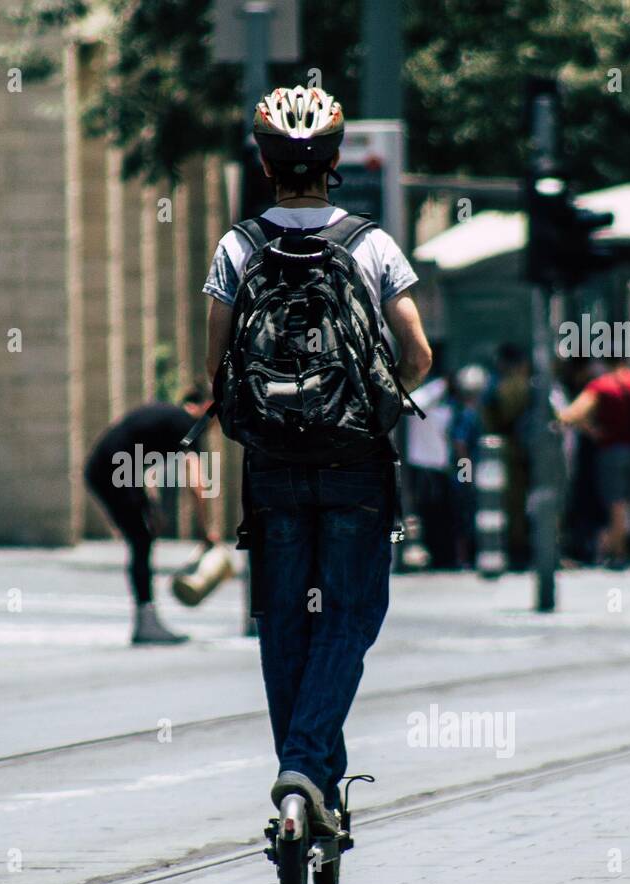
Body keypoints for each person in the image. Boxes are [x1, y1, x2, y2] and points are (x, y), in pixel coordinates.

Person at [203, 85, 432, 834]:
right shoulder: (371, 244)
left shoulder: (238, 247)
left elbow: (218, 367)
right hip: (355, 466)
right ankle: (305, 769)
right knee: (349, 615)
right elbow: (418, 355)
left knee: (282, 623)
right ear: (334, 162)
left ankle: (307, 787)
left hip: (271, 469)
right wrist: (375, 404)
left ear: (265, 166)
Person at [84, 388, 215, 645]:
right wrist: (205, 529)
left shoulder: (170, 417)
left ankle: (146, 619)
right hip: (112, 469)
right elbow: (196, 480)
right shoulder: (189, 424)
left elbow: (138, 457)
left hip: (108, 467)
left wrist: (149, 506)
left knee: (142, 538)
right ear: (209, 406)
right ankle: (146, 623)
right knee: (141, 540)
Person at [558, 356, 630, 569]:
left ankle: (619, 554)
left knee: (616, 502)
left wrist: (592, 430)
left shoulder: (601, 386)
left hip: (611, 449)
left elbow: (572, 415)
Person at [481, 343, 532, 569]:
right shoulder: (519, 386)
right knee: (515, 504)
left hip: (504, 450)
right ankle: (518, 549)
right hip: (516, 452)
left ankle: (514, 548)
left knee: (508, 503)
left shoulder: (496, 386)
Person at [404, 358, 456, 569]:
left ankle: (445, 556)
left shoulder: (446, 406)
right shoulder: (423, 399)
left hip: (440, 466)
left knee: (442, 514)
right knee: (430, 513)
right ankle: (437, 556)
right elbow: (414, 403)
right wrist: (441, 385)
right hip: (425, 465)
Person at [450, 364, 489, 569]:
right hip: (464, 475)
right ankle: (463, 559)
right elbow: (460, 444)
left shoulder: (466, 411)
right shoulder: (467, 414)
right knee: (464, 516)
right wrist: (467, 475)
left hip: (467, 473)